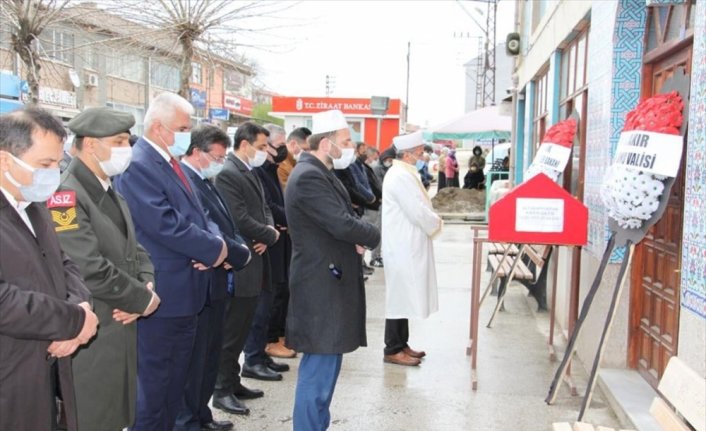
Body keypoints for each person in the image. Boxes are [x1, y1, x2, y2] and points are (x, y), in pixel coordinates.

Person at [113, 92, 229, 430]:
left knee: (173, 389)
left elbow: (199, 215)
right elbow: (164, 224)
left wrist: (215, 243)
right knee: (154, 391)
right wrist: (213, 250)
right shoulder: (139, 164)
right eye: (182, 128)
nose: (187, 135)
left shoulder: (171, 162)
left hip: (186, 293)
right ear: (159, 127)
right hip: (163, 294)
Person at [54, 107, 161, 431]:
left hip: (119, 321)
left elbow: (135, 248)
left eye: (127, 140)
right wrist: (141, 301)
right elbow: (88, 266)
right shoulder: (66, 195)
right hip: (97, 324)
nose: (125, 149)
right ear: (90, 145)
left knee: (116, 414)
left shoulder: (106, 187)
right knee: (94, 416)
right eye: (118, 141)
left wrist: (147, 284)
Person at [0, 107, 98, 431]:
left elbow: (65, 262)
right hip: (12, 385)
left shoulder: (34, 205)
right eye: (45, 165)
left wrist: (81, 305)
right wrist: (75, 321)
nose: (54, 173)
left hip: (50, 375)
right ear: (5, 160)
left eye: (58, 163)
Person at [285, 110, 380, 430]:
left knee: (327, 368)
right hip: (320, 283)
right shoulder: (309, 175)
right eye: (346, 141)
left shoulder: (321, 172)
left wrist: (354, 238)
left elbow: (336, 220)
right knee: (318, 371)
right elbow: (340, 222)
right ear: (326, 144)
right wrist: (372, 236)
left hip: (329, 277)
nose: (351, 147)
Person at [176, 124, 252, 431]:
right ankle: (188, 420)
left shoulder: (206, 180)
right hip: (201, 279)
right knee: (194, 362)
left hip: (217, 277)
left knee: (209, 357)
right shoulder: (185, 181)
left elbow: (223, 227)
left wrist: (236, 248)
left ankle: (201, 415)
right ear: (197, 152)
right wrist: (236, 253)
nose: (220, 162)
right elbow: (204, 229)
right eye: (217, 156)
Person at [213, 122, 281, 415]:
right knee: (232, 331)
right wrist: (267, 234)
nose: (266, 151)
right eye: (262, 146)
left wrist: (267, 231)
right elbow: (237, 218)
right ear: (244, 145)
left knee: (244, 327)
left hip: (257, 254)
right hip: (242, 260)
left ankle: (234, 381)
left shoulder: (248, 170)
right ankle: (221, 390)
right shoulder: (228, 173)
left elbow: (264, 207)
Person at [381, 131, 442, 366]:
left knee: (405, 296)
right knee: (398, 298)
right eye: (418, 153)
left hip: (407, 243)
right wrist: (436, 222)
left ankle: (401, 344)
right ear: (406, 155)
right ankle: (392, 348)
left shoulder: (405, 172)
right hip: (402, 245)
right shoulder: (398, 176)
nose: (422, 156)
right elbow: (416, 211)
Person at [257, 123, 297, 360]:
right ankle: (269, 340)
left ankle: (278, 335)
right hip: (271, 236)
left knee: (283, 287)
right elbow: (267, 206)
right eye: (279, 146)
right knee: (272, 292)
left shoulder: (273, 167)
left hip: (282, 234)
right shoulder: (260, 169)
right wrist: (290, 216)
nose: (284, 151)